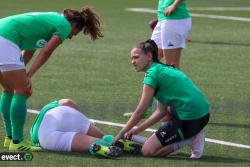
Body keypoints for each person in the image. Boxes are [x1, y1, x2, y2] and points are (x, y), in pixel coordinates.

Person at [0, 6, 103, 151]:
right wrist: (27, 76)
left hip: (3, 33)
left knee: (9, 90)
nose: (70, 36)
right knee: (22, 91)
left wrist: (24, 73)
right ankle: (17, 142)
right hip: (5, 39)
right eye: (75, 33)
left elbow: (29, 49)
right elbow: (46, 51)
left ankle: (10, 138)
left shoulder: (50, 21)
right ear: (74, 25)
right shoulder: (64, 25)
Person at [113, 39, 210, 158]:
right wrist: (137, 130)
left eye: (136, 57)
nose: (133, 61)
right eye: (131, 58)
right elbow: (161, 112)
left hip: (192, 119)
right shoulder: (159, 68)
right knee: (167, 113)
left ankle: (190, 139)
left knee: (148, 151)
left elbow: (140, 112)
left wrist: (121, 133)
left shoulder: (152, 75)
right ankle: (172, 138)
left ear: (149, 56)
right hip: (202, 113)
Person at [30, 99, 123, 158]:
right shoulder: (48, 107)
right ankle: (120, 143)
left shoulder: (34, 134)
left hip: (46, 137)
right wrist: (83, 120)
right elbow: (67, 102)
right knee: (103, 137)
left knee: (92, 143)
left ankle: (100, 147)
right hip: (63, 113)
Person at [151, 0, 192, 69]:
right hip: (163, 19)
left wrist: (174, 5)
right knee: (151, 59)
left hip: (175, 19)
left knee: (172, 64)